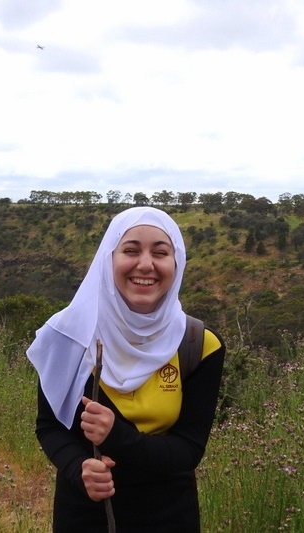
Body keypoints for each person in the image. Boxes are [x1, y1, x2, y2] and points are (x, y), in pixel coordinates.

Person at [27, 206, 226, 532]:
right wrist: (80, 471)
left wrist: (115, 435)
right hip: (84, 515)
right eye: (130, 250)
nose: (145, 264)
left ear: (177, 263)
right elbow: (50, 427)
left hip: (169, 517)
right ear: (109, 259)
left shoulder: (198, 344)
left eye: (160, 252)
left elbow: (188, 450)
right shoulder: (70, 336)